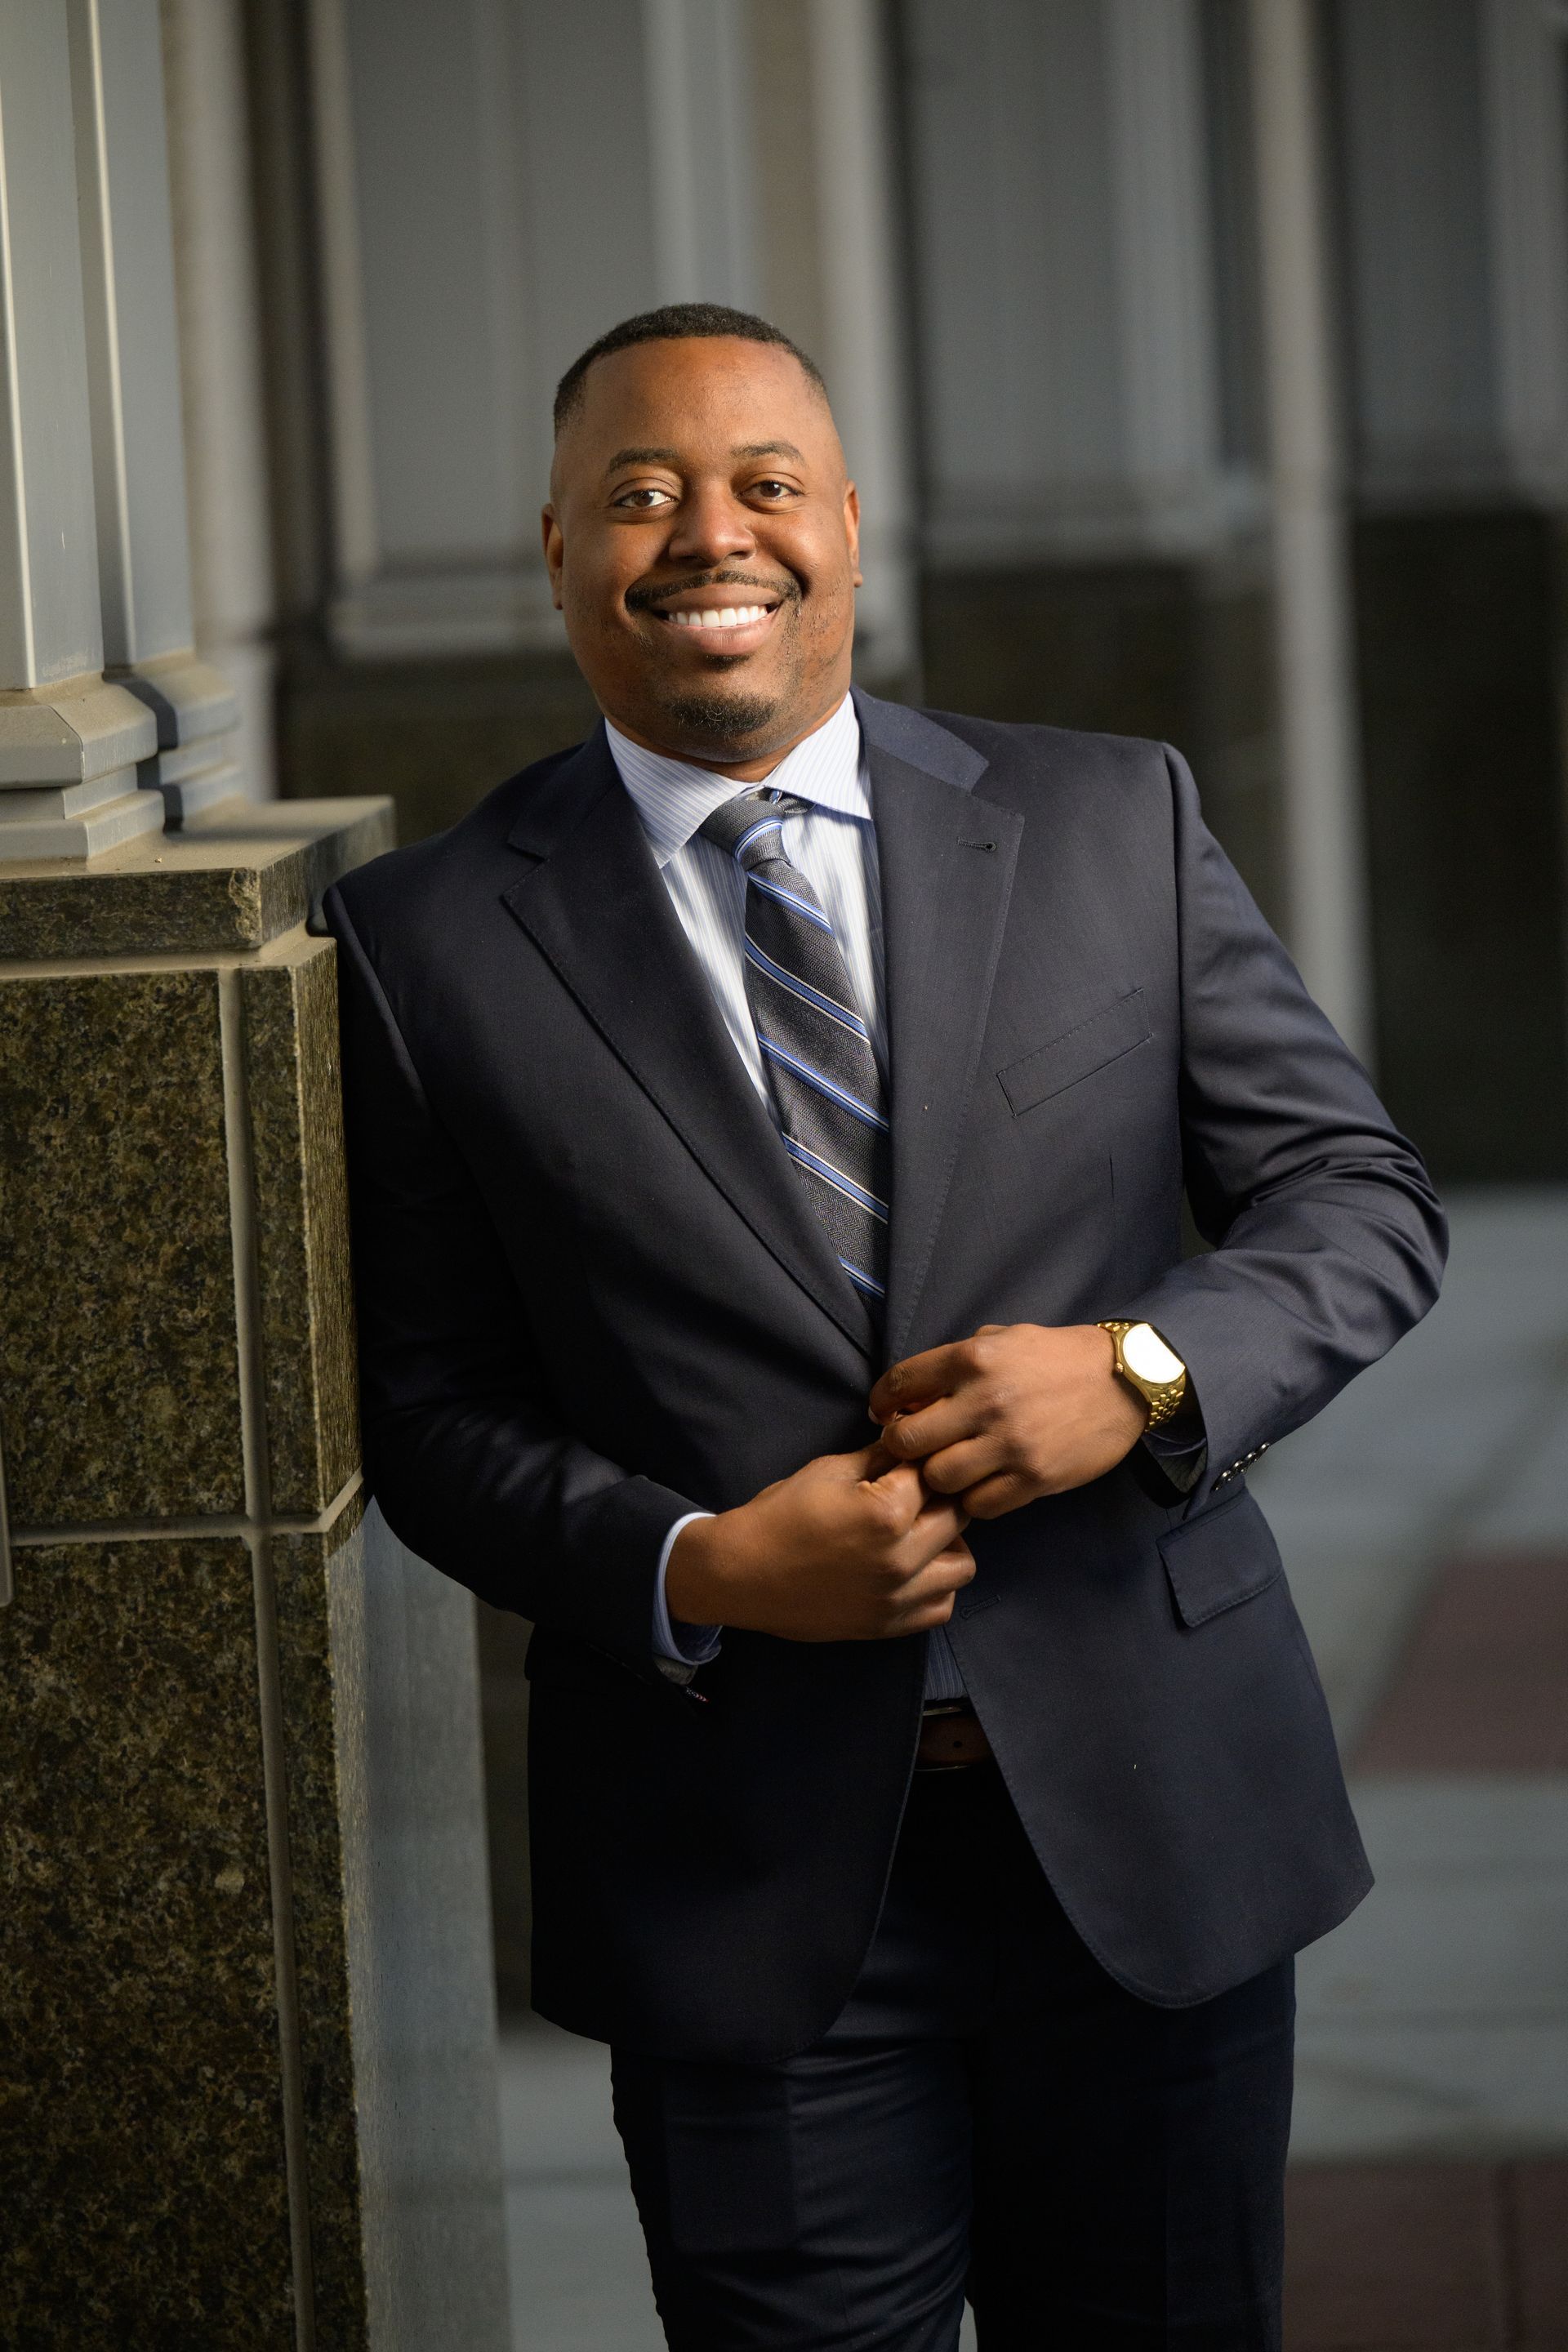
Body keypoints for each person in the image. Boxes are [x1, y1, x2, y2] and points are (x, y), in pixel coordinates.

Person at [325, 302, 1446, 2349]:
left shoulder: (1119, 817)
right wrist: (707, 1566)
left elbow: (1359, 1202)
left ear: (848, 523)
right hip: (738, 1883)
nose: (707, 534)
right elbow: (432, 1410)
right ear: (556, 545)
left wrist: (1140, 1374)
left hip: (1153, 1830)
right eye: (639, 492)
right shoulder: (423, 949)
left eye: (763, 484)